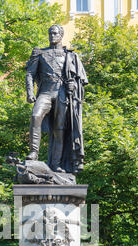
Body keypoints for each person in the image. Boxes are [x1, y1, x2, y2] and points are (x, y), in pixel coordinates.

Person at [25, 24, 88, 174]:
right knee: (35, 116)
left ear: (61, 35)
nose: (52, 36)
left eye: (55, 33)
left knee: (59, 131)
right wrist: (29, 92)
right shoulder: (39, 53)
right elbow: (29, 74)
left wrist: (73, 85)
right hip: (45, 92)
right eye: (50, 33)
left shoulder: (70, 55)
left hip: (62, 94)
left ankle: (56, 164)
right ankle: (33, 152)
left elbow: (80, 79)